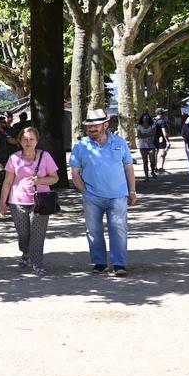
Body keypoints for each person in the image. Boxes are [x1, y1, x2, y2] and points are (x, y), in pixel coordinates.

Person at [69, 109, 137, 276]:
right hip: (92, 197)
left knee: (119, 228)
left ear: (105, 125)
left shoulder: (120, 143)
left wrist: (132, 191)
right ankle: (99, 263)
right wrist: (84, 191)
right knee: (93, 230)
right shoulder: (80, 146)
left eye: (95, 126)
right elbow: (75, 173)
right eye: (89, 126)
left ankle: (119, 264)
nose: (91, 129)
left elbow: (129, 167)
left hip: (118, 195)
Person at [0, 126, 59, 275]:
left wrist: (40, 180)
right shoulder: (14, 158)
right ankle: (25, 252)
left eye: (31, 139)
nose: (28, 142)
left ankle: (37, 264)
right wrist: (2, 203)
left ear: (37, 141)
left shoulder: (45, 156)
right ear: (19, 141)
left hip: (41, 201)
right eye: (25, 139)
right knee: (23, 234)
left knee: (37, 235)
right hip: (17, 202)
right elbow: (7, 182)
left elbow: (55, 178)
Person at [134, 113, 158, 180]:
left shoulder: (152, 126)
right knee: (145, 162)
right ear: (142, 119)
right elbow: (139, 136)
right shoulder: (139, 126)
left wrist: (143, 134)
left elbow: (153, 134)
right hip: (142, 146)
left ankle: (152, 171)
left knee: (152, 161)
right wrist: (148, 134)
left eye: (147, 117)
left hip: (151, 145)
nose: (146, 119)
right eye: (144, 117)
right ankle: (146, 176)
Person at [154, 108, 171, 173]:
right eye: (164, 113)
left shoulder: (152, 120)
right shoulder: (162, 121)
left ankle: (154, 167)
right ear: (161, 114)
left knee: (155, 153)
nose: (165, 114)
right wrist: (167, 141)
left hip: (153, 139)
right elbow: (164, 132)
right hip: (161, 139)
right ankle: (161, 167)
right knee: (163, 153)